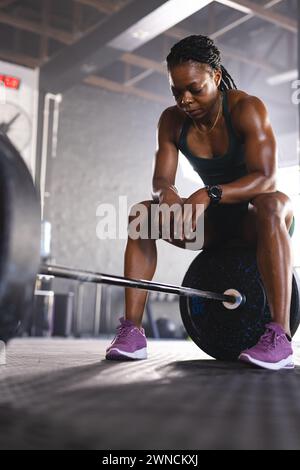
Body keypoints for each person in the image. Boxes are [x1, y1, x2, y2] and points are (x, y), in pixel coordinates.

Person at [106, 35, 295, 370]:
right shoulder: (171, 121)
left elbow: (266, 178)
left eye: (194, 88)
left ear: (217, 77)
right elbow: (161, 181)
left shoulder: (246, 108)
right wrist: (170, 197)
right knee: (142, 215)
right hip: (215, 226)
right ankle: (132, 332)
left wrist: (209, 193)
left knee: (271, 203)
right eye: (176, 91)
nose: (185, 99)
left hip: (256, 221)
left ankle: (279, 336)